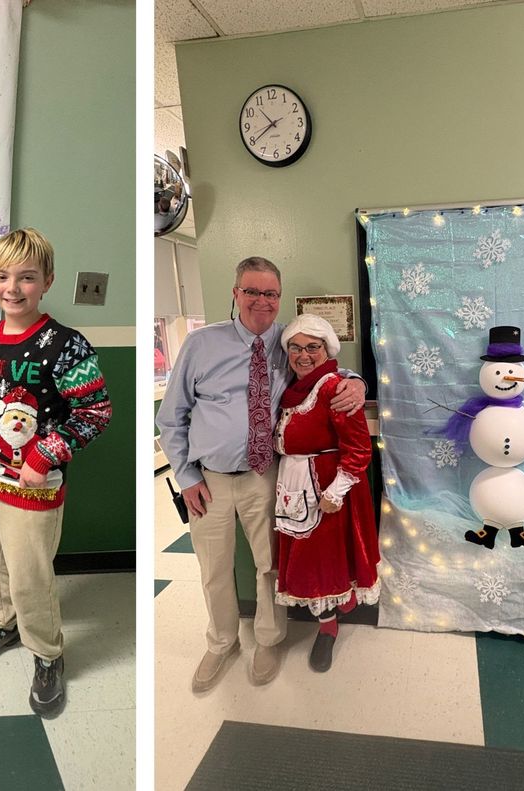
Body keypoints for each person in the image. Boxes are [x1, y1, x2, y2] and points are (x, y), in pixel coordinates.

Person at [155, 256, 365, 693]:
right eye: (251, 291)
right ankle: (221, 641)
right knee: (213, 568)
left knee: (269, 564)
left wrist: (356, 380)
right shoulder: (201, 345)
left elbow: (323, 368)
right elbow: (171, 417)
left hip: (264, 476)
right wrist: (186, 475)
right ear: (235, 293)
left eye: (270, 293)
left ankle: (269, 639)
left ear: (279, 297)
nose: (261, 301)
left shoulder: (288, 344)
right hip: (207, 480)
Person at [0, 227, 111, 718]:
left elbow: (96, 411)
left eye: (26, 277)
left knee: (29, 573)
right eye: (2, 276)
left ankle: (46, 652)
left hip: (33, 485)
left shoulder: (65, 345)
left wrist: (44, 456)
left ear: (47, 282)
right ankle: (4, 622)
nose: (12, 288)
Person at [273, 314, 380, 672]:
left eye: (312, 347)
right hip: (295, 488)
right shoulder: (292, 389)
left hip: (325, 493)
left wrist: (337, 490)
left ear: (327, 349)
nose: (303, 355)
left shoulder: (335, 388)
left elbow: (359, 448)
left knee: (325, 565)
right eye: (295, 348)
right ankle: (327, 621)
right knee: (311, 562)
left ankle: (329, 630)